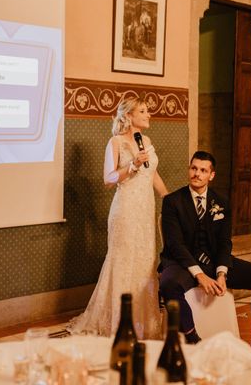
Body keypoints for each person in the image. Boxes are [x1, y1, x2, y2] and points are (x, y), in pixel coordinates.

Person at [68, 97, 168, 339]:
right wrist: (132, 165)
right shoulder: (116, 142)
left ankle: (142, 320)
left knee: (144, 262)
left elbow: (152, 174)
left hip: (145, 212)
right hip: (125, 210)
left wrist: (170, 198)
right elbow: (108, 179)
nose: (148, 115)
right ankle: (117, 321)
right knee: (123, 263)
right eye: (143, 111)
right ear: (129, 116)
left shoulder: (147, 141)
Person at [159, 151, 251, 349]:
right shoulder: (172, 201)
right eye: (194, 168)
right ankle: (192, 337)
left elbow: (224, 243)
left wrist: (222, 273)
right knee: (168, 283)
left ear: (211, 175)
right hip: (183, 263)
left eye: (203, 170)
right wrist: (199, 275)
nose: (197, 174)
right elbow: (175, 245)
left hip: (214, 262)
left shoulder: (222, 202)